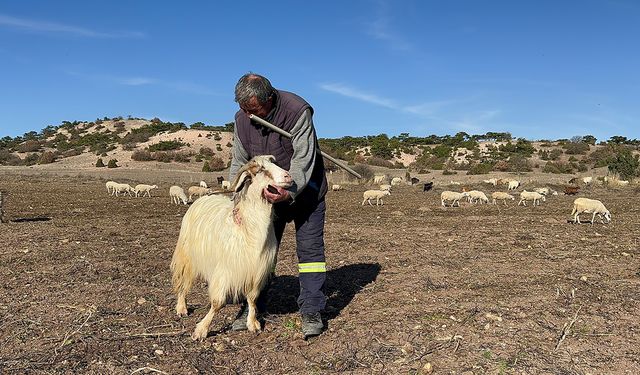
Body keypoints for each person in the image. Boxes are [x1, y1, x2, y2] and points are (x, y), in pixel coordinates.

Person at [228, 73, 328, 338]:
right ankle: (252, 308)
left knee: (310, 254)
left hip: (306, 193)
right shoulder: (241, 120)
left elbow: (303, 159)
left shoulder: (297, 111)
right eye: (243, 109)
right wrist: (235, 201)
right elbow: (239, 162)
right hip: (268, 199)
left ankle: (311, 310)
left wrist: (289, 193)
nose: (248, 115)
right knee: (260, 252)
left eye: (254, 109)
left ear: (269, 98)